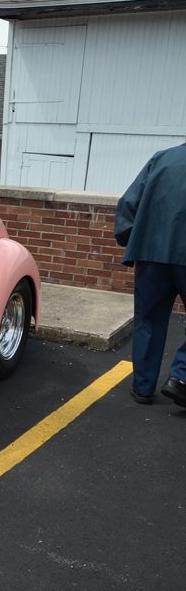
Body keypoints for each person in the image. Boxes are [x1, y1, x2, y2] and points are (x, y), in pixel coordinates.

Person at [114, 142, 186, 407]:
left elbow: (128, 203)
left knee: (148, 319)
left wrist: (130, 239)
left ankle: (143, 387)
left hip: (151, 253)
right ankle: (180, 378)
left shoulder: (162, 159)